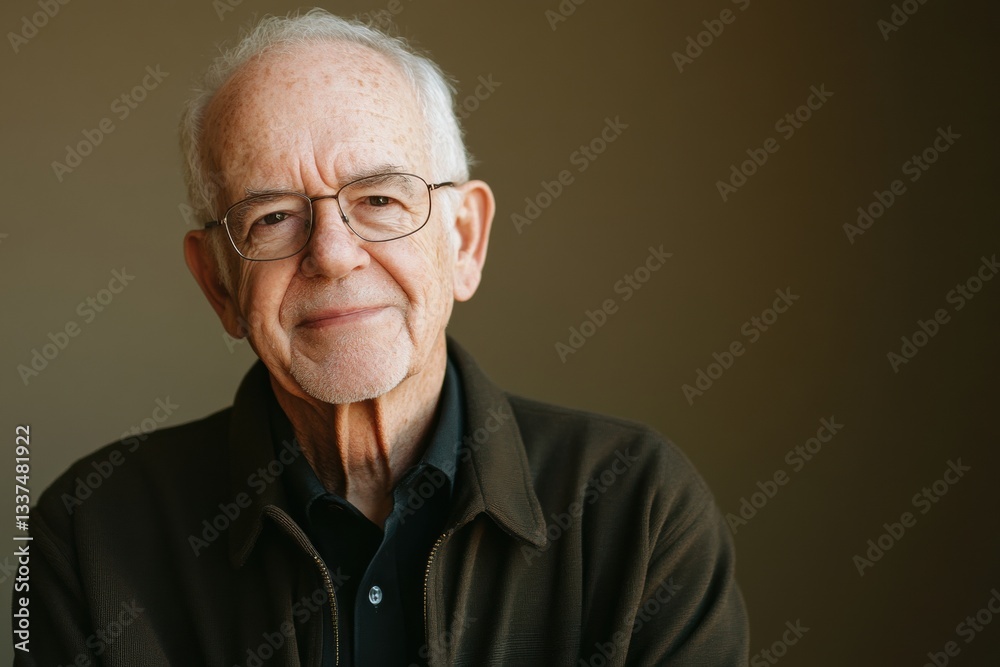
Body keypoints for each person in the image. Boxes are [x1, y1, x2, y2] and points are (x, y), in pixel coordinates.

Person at [16, 9, 748, 666]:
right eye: (272, 217)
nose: (333, 253)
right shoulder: (88, 536)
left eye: (379, 199)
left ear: (465, 240)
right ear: (218, 283)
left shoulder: (642, 511)